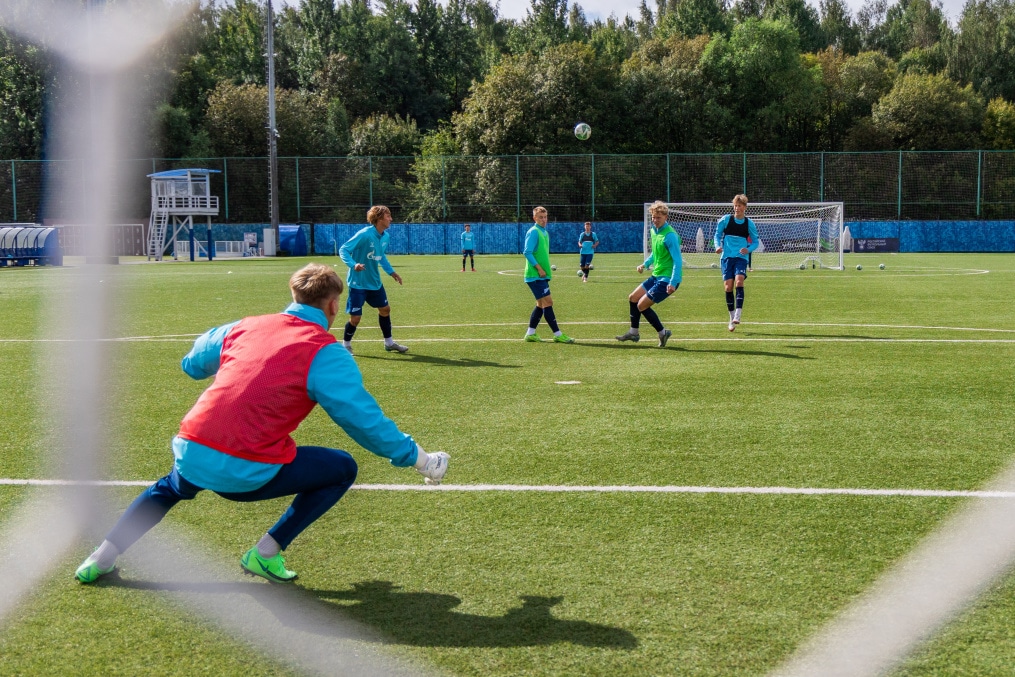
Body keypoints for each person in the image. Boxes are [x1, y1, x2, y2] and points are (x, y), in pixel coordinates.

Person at [74, 263, 450, 585]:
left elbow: (192, 364)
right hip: (246, 469)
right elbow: (364, 421)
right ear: (334, 305)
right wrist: (419, 459)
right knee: (342, 468)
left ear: (293, 294)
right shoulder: (325, 351)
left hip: (192, 448)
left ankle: (98, 559)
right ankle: (265, 553)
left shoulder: (245, 325)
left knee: (168, 489)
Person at [339, 205, 408, 354]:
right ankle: (346, 345)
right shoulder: (364, 234)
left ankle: (389, 343)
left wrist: (392, 272)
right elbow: (343, 249)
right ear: (379, 218)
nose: (391, 219)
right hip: (358, 283)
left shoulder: (385, 236)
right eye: (388, 216)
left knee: (385, 310)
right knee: (356, 318)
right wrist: (353, 264)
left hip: (375, 282)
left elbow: (381, 256)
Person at [616, 201, 681, 348]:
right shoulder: (654, 231)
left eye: (658, 217)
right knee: (633, 298)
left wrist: (673, 282)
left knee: (641, 305)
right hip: (656, 275)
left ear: (665, 217)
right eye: (653, 217)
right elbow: (655, 254)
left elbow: (678, 261)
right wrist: (644, 264)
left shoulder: (670, 236)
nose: (655, 220)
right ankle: (634, 332)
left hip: (667, 279)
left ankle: (663, 332)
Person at [522, 206, 574, 344]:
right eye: (540, 217)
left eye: (545, 217)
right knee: (548, 302)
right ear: (535, 218)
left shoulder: (544, 232)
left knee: (540, 304)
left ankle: (530, 333)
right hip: (535, 275)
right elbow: (527, 252)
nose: (544, 220)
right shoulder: (533, 232)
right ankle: (558, 334)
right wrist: (539, 269)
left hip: (541, 275)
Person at [714, 194, 759, 332]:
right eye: (735, 205)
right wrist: (717, 246)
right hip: (727, 257)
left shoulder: (749, 223)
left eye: (739, 206)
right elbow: (717, 235)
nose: (737, 208)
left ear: (744, 207)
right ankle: (731, 318)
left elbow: (756, 242)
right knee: (728, 287)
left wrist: (748, 249)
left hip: (740, 258)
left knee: (739, 282)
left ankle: (738, 314)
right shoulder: (726, 220)